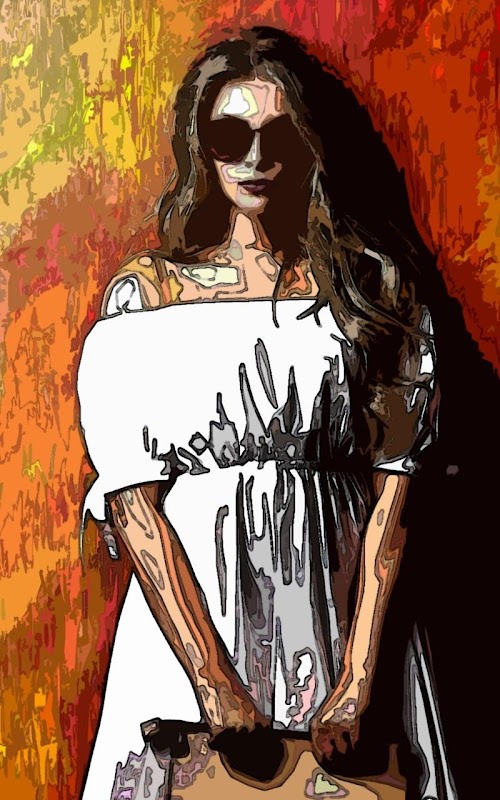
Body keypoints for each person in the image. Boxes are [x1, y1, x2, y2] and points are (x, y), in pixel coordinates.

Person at [79, 26, 495, 800]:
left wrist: (359, 678)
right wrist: (212, 682)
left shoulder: (370, 288)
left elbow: (397, 491)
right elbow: (132, 502)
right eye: (230, 136)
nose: (254, 157)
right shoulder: (148, 296)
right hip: (192, 623)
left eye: (276, 134)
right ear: (202, 148)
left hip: (335, 608)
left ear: (306, 142)